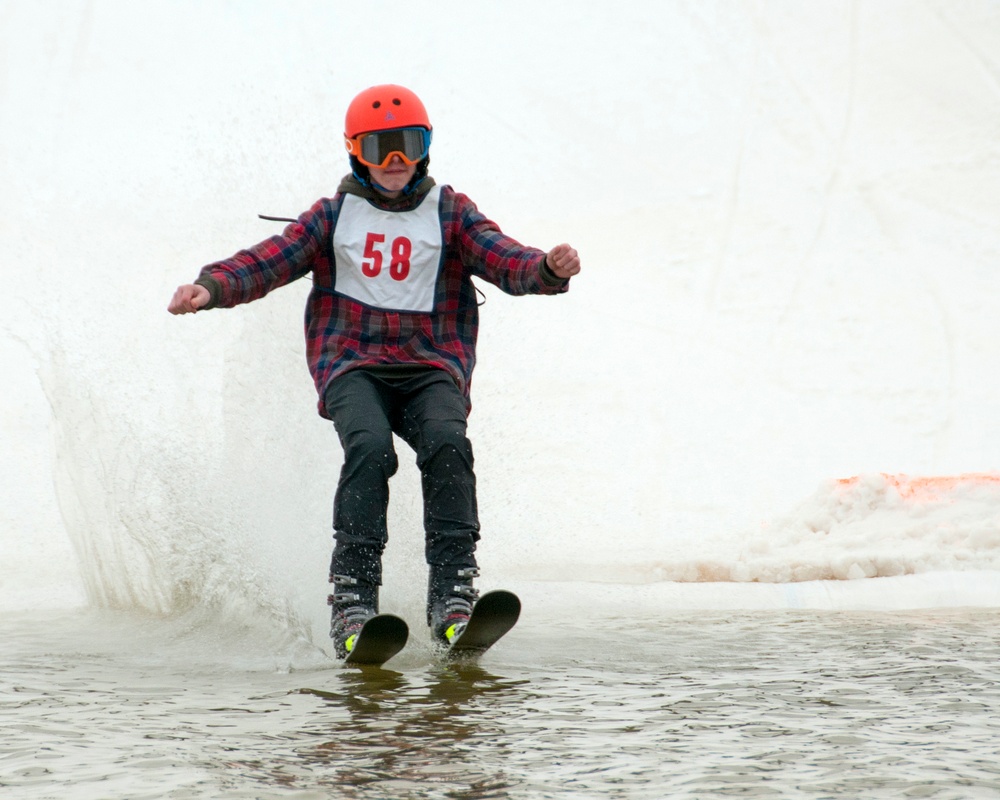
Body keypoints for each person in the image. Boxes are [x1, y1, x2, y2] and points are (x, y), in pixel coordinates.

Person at [168, 84, 580, 659]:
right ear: (355, 151)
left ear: (425, 149)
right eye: (381, 147)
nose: (395, 161)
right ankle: (353, 601)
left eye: (409, 145)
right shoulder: (333, 217)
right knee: (370, 448)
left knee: (447, 442)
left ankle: (453, 597)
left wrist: (545, 268)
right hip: (352, 366)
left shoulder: (451, 213)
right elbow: (268, 260)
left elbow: (502, 256)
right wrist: (209, 287)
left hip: (430, 367)